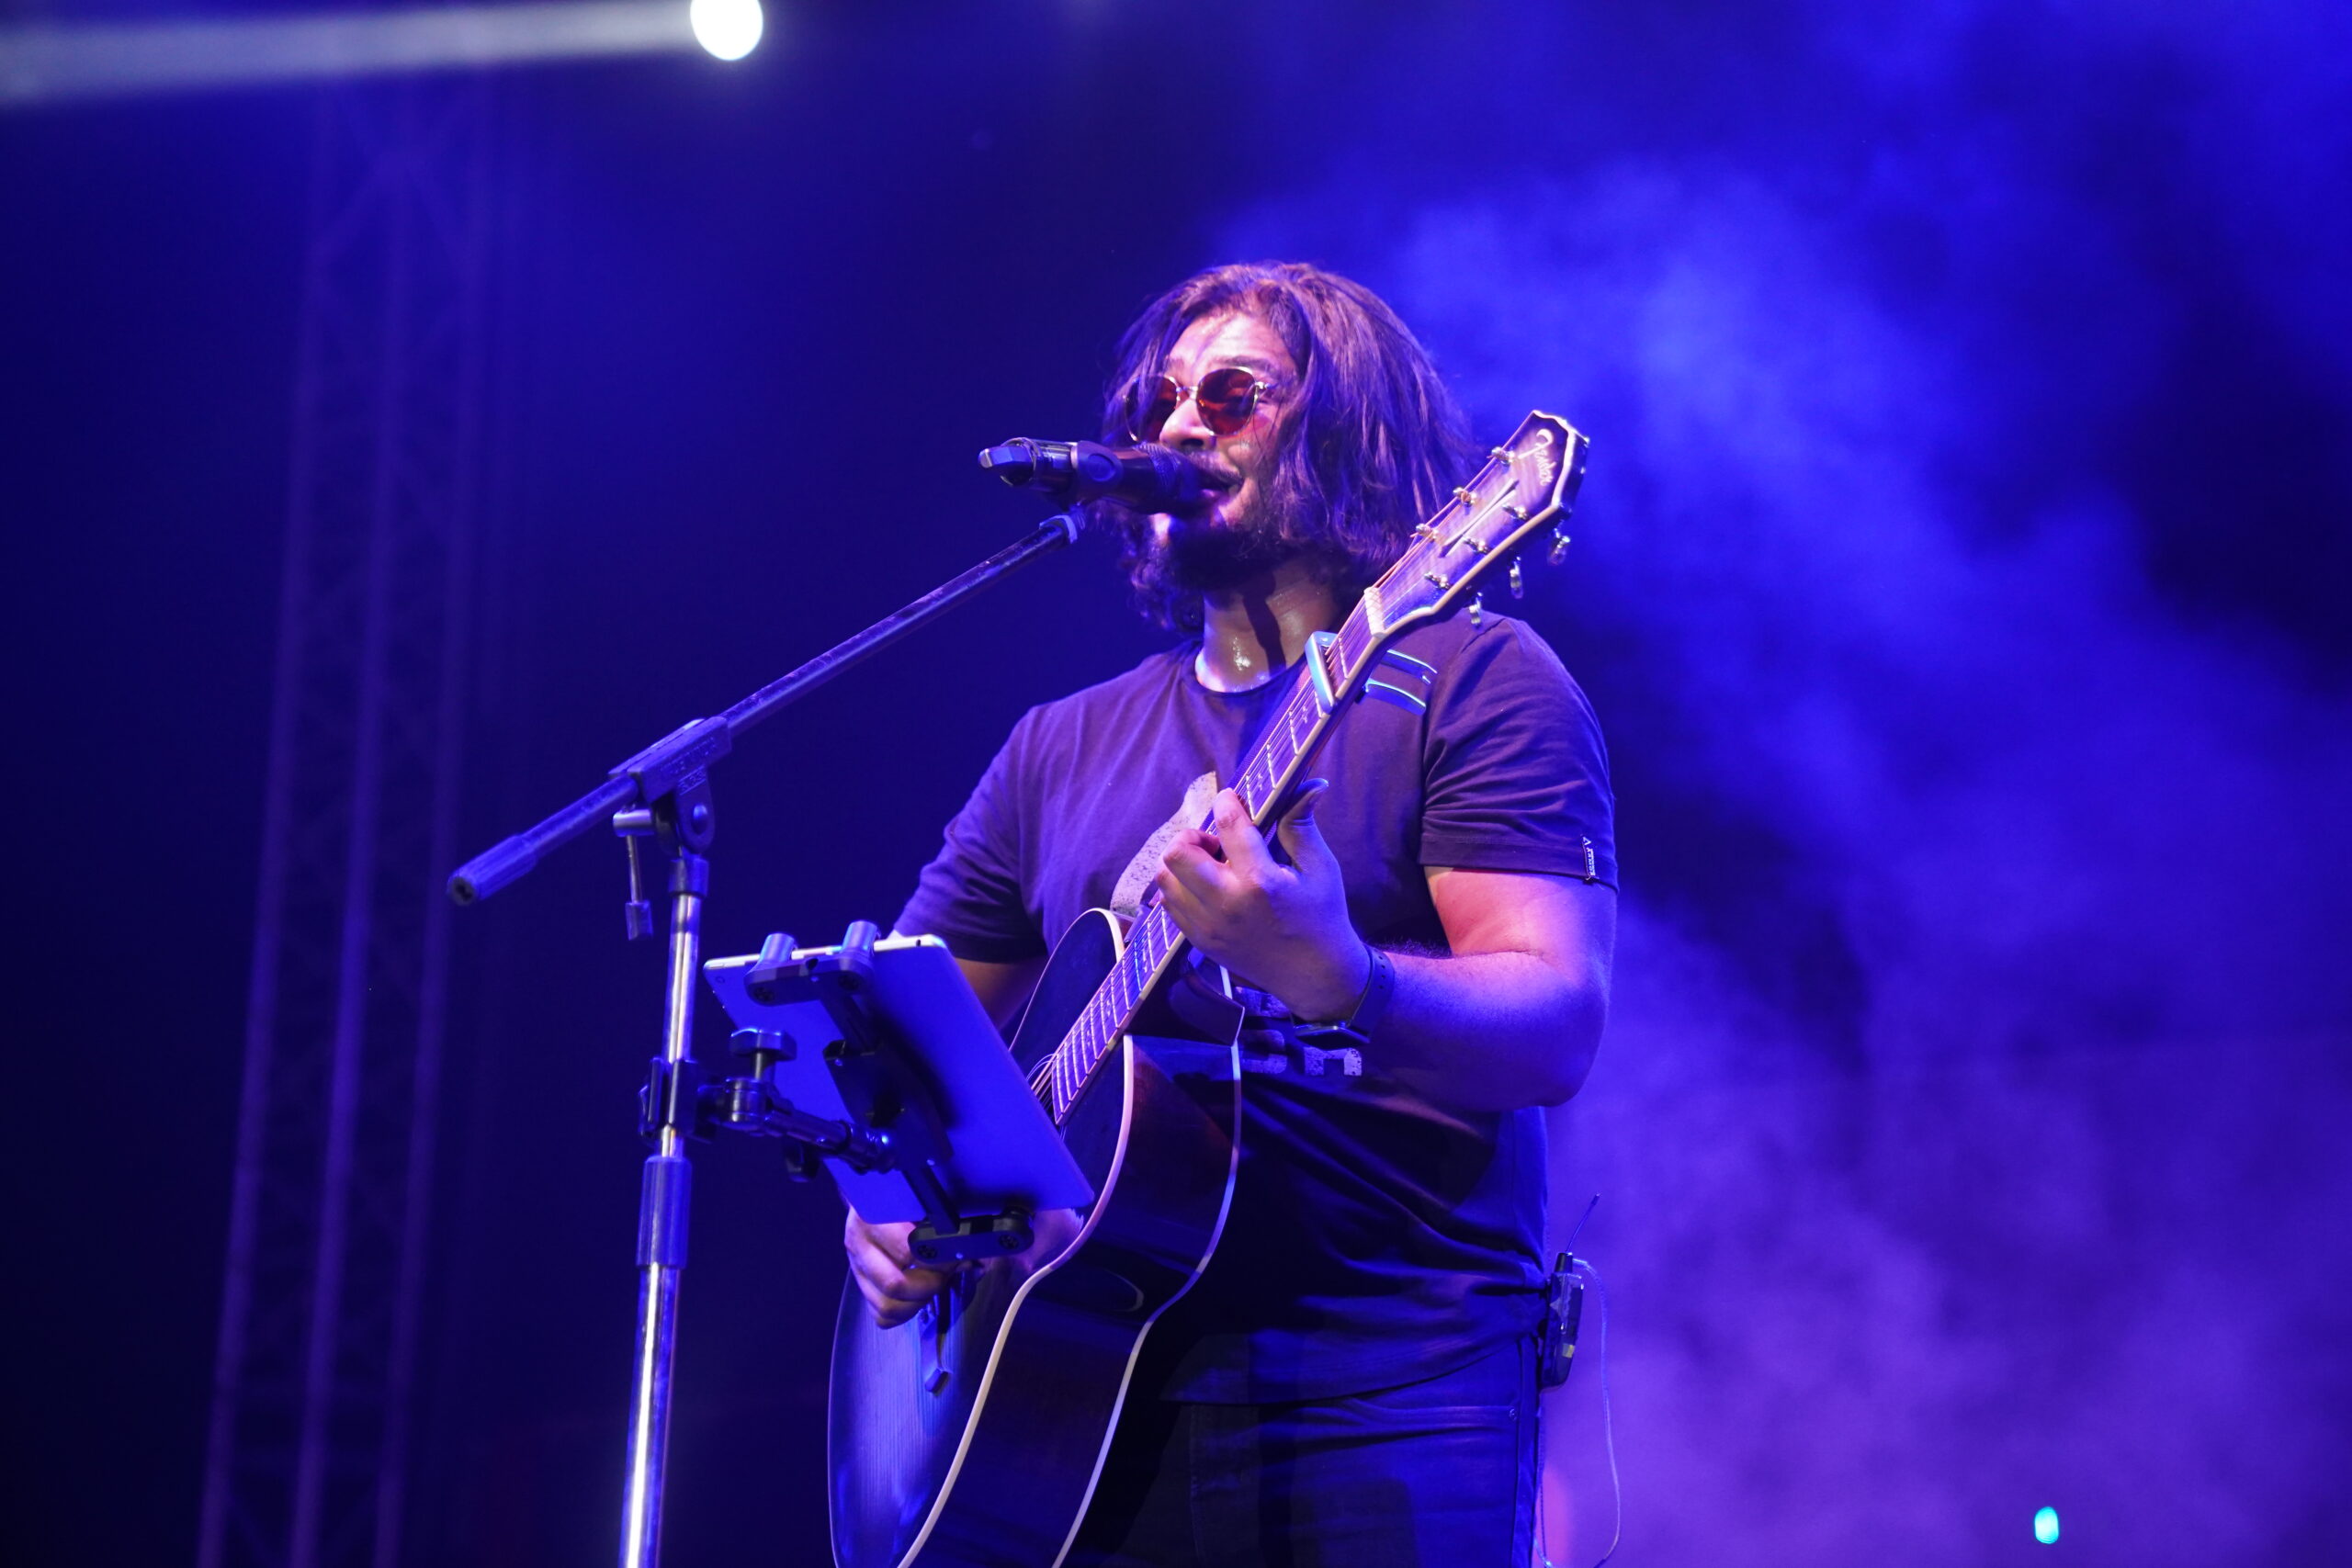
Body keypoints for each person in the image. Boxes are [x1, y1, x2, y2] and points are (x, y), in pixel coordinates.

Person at [845, 261, 1617, 1565]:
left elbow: (1556, 1023)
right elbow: (903, 1045)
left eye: (1232, 396)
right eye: (1160, 403)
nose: (1179, 425)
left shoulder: (1474, 677)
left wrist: (1341, 978)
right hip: (1080, 1403)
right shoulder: (1058, 746)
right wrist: (889, 1200)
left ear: (1349, 429)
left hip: (1395, 1393)